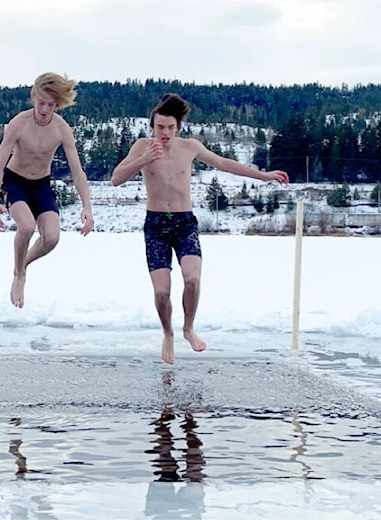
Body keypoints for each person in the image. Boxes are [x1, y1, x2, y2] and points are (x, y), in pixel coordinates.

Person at [111, 94, 289, 364]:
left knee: (192, 279)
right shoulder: (142, 147)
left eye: (170, 127)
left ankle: (188, 328)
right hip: (156, 224)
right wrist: (143, 159)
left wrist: (264, 175)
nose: (165, 133)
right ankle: (168, 333)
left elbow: (224, 164)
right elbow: (115, 179)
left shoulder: (189, 147)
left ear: (178, 127)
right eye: (160, 127)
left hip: (184, 222)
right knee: (161, 292)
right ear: (152, 126)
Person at [0, 72, 94, 308]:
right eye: (41, 103)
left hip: (41, 185)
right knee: (26, 226)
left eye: (51, 105)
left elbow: (77, 171)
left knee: (52, 238)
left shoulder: (61, 129)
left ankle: (23, 263)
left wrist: (87, 206)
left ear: (58, 104)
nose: (45, 109)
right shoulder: (19, 124)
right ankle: (19, 276)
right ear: (33, 97)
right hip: (15, 181)